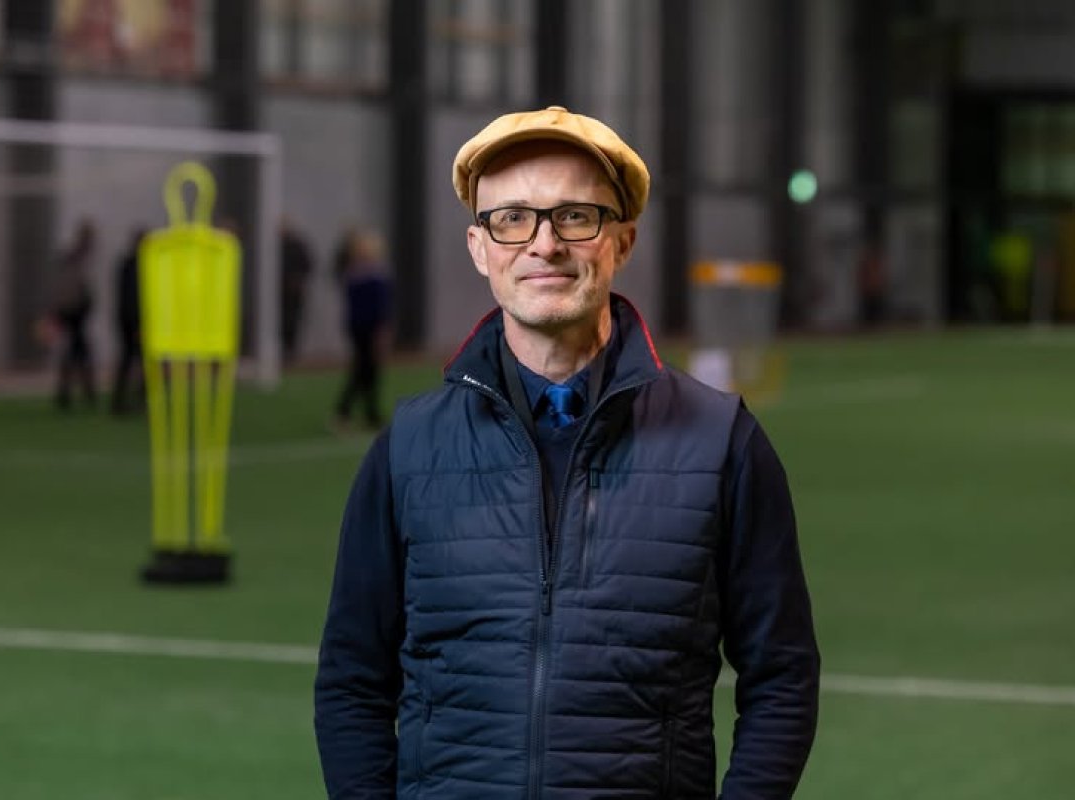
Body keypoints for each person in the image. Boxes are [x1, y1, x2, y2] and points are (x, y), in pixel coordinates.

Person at [314, 106, 820, 799]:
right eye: (512, 219)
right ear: (479, 247)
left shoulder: (721, 443)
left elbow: (782, 676)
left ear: (623, 240)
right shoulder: (408, 448)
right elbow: (352, 681)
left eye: (575, 217)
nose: (544, 245)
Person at [332, 227, 393, 431]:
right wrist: (382, 329)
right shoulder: (369, 275)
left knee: (368, 371)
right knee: (364, 370)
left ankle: (369, 413)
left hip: (359, 326)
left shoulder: (356, 274)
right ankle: (345, 412)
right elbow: (379, 305)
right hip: (367, 327)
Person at [51, 217, 98, 411]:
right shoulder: (74, 259)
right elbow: (71, 289)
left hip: (73, 312)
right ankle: (77, 392)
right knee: (77, 354)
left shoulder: (75, 259)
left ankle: (73, 392)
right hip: (72, 313)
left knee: (76, 354)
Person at [110, 227, 146, 415]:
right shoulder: (136, 266)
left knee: (132, 361)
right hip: (133, 321)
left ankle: (129, 400)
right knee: (135, 361)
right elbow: (133, 298)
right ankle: (129, 400)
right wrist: (137, 323)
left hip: (127, 320)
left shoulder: (127, 264)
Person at [279, 218, 315, 363]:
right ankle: (281, 349)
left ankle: (290, 350)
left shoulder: (298, 246)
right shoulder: (273, 246)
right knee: (280, 321)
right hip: (279, 293)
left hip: (294, 293)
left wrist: (298, 279)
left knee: (293, 320)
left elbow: (308, 265)